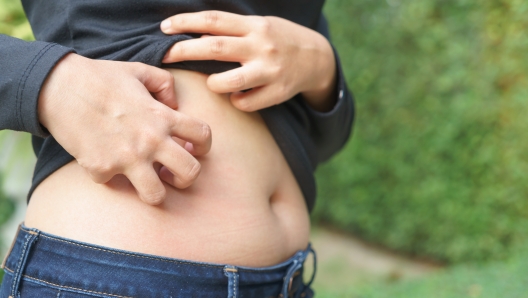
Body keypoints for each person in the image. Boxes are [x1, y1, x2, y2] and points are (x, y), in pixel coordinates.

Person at [0, 1, 354, 297]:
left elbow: (324, 142)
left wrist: (322, 69)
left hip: (288, 279)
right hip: (123, 274)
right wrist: (47, 82)